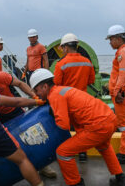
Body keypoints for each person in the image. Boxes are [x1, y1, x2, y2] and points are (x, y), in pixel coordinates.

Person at [29, 68, 125, 186]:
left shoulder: (55, 96)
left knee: (63, 152)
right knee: (104, 146)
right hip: (110, 119)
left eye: (36, 90)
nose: (36, 94)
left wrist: (55, 114)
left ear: (45, 86)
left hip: (98, 126)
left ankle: (75, 183)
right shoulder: (63, 90)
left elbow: (64, 125)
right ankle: (120, 178)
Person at [53, 33, 95, 163]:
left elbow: (56, 84)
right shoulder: (87, 62)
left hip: (66, 101)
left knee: (63, 127)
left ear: (65, 47)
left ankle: (64, 152)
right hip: (82, 101)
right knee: (81, 128)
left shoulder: (61, 64)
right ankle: (83, 154)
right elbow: (91, 80)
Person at [106, 25, 125, 164]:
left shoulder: (123, 53)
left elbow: (123, 74)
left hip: (122, 94)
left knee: (124, 125)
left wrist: (117, 91)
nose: (110, 42)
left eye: (111, 39)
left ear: (118, 38)